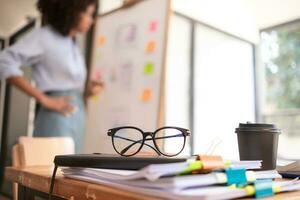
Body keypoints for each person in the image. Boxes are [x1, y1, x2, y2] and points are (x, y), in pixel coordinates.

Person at [0, 0, 103, 153]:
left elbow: (65, 83)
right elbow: (4, 61)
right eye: (88, 14)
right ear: (72, 12)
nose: (91, 20)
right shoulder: (45, 36)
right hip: (56, 117)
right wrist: (43, 98)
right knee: (52, 169)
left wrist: (88, 92)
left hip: (78, 115)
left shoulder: (73, 43)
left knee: (72, 172)